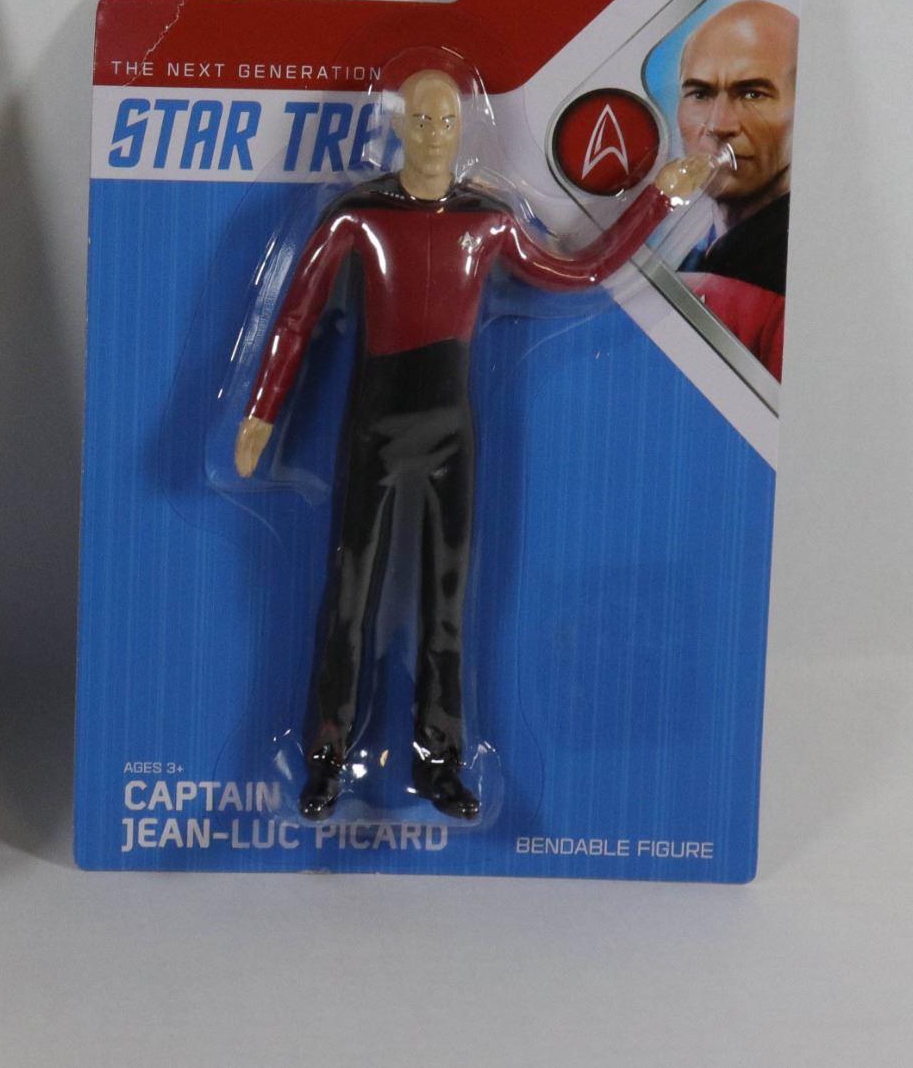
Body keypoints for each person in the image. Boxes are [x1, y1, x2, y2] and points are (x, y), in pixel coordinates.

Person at [235, 67, 715, 823]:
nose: (435, 134)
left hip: (450, 432)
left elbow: (579, 270)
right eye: (422, 120)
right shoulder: (357, 218)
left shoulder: (486, 222)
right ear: (399, 126)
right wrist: (262, 412)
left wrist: (660, 196)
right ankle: (325, 761)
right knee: (350, 598)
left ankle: (439, 763)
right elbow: (294, 316)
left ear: (462, 130)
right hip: (374, 426)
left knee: (446, 605)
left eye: (447, 121)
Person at [673, 0, 796, 376]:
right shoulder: (694, 254)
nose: (719, 124)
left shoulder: (794, 282)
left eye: (752, 94)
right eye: (700, 93)